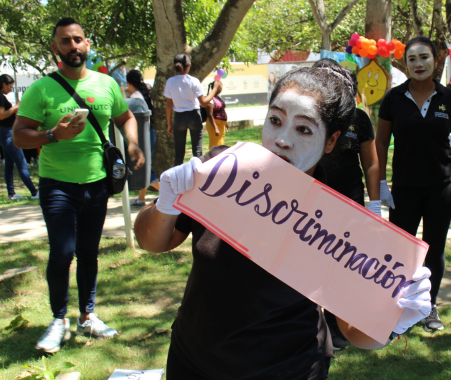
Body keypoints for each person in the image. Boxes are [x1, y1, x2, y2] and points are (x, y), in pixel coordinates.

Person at [134, 66, 432, 379]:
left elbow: (354, 332)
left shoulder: (337, 222)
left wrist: (395, 317)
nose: (282, 140)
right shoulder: (223, 171)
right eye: (275, 121)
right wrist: (165, 204)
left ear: (331, 141)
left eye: (304, 129)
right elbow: (151, 241)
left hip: (287, 369)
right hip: (192, 360)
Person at [12, 17, 145, 353]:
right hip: (58, 185)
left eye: (78, 40)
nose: (73, 46)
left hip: (97, 183)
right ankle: (58, 320)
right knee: (63, 252)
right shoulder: (42, 89)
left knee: (88, 252)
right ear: (56, 48)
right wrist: (52, 135)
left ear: (87, 44)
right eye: (65, 41)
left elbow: (125, 116)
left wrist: (131, 144)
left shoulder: (105, 84)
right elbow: (18, 135)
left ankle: (88, 315)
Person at [375, 36, 451, 332]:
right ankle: (398, 307)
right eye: (412, 59)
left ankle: (429, 307)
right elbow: (380, 141)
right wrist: (381, 183)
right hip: (404, 187)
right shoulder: (393, 98)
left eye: (424, 57)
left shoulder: (449, 98)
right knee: (401, 249)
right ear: (404, 64)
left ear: (436, 60)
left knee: (435, 248)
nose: (418, 64)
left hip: (442, 186)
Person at [314, 58, 381, 351]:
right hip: (312, 201)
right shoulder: (309, 114)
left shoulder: (359, 119)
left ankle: (337, 324)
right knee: (313, 262)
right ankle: (312, 323)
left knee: (343, 264)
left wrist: (375, 204)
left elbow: (371, 162)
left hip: (350, 200)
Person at [0, 74, 39, 200]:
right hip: (7, 134)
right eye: (9, 87)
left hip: (6, 133)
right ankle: (34, 193)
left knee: (9, 165)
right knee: (21, 163)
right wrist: (16, 106)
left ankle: (11, 194)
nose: (10, 89)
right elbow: (1, 115)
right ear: (3, 84)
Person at [164, 53, 208, 166]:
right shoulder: (194, 81)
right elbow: (203, 103)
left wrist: (169, 123)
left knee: (179, 154)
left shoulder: (170, 82)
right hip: (194, 115)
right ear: (189, 65)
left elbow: (169, 105)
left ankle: (177, 181)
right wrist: (214, 90)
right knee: (197, 153)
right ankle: (199, 179)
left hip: (179, 117)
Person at [126, 69, 159, 207]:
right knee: (143, 168)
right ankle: (141, 198)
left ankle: (170, 195)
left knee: (145, 169)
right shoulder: (142, 95)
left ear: (129, 83)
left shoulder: (135, 99)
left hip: (142, 136)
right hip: (149, 133)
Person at [202, 80, 227, 149]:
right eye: (220, 86)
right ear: (216, 87)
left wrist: (225, 123)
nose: (221, 88)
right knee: (215, 145)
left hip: (222, 125)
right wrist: (215, 128)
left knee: (221, 144)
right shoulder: (210, 98)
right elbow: (210, 114)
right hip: (214, 125)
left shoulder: (217, 97)